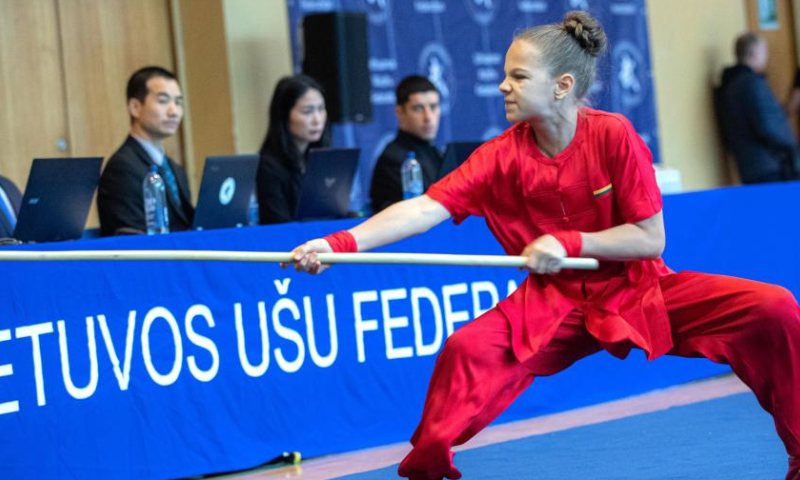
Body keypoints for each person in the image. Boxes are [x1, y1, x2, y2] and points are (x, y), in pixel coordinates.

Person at [288, 11, 800, 480]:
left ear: (562, 86)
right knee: (465, 349)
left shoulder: (614, 135)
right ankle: (427, 468)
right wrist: (339, 243)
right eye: (506, 74)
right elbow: (425, 209)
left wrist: (571, 240)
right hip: (551, 304)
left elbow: (650, 239)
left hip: (636, 291)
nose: (502, 86)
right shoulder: (498, 157)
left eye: (518, 77)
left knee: (774, 307)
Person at [98, 66, 194, 236]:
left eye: (178, 102)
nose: (174, 112)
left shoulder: (174, 168)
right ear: (135, 107)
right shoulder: (122, 168)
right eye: (163, 101)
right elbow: (129, 236)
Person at [717, 33, 799, 183]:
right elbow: (768, 125)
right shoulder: (751, 84)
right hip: (768, 166)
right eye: (764, 52)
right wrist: (791, 146)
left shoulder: (731, 84)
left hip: (749, 165)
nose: (766, 57)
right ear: (754, 54)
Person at [256, 74, 330, 224]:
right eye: (307, 111)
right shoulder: (267, 166)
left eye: (321, 109)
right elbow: (277, 223)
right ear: (284, 115)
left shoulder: (320, 159)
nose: (317, 120)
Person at [370, 75, 443, 213]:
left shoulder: (436, 153)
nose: (428, 117)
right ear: (400, 112)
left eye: (433, 107)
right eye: (418, 108)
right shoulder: (393, 158)